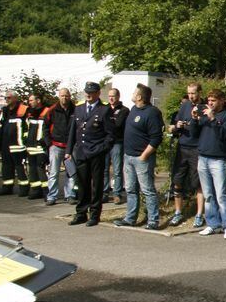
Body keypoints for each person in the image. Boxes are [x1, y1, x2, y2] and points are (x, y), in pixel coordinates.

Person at [113, 84, 164, 230]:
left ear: (140, 97)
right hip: (128, 157)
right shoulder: (134, 109)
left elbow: (156, 138)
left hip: (142, 158)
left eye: (135, 92)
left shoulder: (152, 113)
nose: (133, 94)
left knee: (147, 190)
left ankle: (153, 220)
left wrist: (144, 155)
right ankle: (130, 218)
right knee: (130, 189)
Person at [66, 82, 114, 226]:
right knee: (82, 184)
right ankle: (81, 213)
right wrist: (68, 151)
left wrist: (101, 149)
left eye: (91, 92)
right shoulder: (79, 109)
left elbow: (110, 135)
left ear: (98, 93)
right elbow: (73, 132)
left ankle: (95, 214)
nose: (88, 94)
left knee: (97, 185)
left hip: (96, 153)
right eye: (87, 91)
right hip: (81, 152)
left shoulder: (104, 110)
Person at [193, 89, 226, 239]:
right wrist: (194, 119)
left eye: (213, 100)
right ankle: (212, 224)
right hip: (203, 157)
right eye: (209, 100)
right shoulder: (205, 114)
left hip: (218, 159)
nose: (210, 103)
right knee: (208, 195)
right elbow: (194, 133)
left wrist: (213, 119)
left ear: (221, 101)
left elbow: (224, 135)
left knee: (221, 195)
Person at [168, 83, 207, 228]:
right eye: (189, 93)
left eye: (193, 93)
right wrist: (176, 125)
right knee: (177, 180)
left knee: (197, 183)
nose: (191, 96)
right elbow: (174, 124)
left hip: (197, 148)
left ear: (200, 93)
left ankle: (199, 214)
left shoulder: (204, 108)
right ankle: (178, 212)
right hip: (182, 146)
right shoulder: (184, 106)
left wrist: (197, 119)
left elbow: (206, 127)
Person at [44, 88, 77, 205]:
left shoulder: (76, 110)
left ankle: (70, 195)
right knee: (53, 172)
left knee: (71, 173)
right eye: (62, 95)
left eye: (66, 96)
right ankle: (52, 196)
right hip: (56, 146)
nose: (64, 98)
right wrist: (49, 144)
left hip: (71, 147)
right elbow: (45, 128)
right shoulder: (52, 110)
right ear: (59, 96)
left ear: (70, 96)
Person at [0, 90, 29, 196]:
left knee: (20, 167)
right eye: (6, 98)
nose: (7, 100)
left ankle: (24, 188)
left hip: (19, 145)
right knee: (6, 166)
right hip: (5, 144)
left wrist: (25, 141)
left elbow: (28, 127)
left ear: (16, 98)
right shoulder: (4, 110)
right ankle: (7, 187)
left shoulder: (24, 110)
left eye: (9, 97)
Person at [102, 88, 128, 204]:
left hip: (117, 142)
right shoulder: (104, 109)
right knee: (104, 169)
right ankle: (104, 192)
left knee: (117, 170)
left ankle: (117, 194)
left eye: (113, 96)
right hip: (105, 142)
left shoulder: (124, 110)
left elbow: (118, 125)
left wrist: (108, 123)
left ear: (118, 96)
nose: (111, 98)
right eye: (109, 96)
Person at [23, 94, 50, 200]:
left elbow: (50, 128)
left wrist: (45, 140)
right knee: (32, 169)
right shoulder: (29, 113)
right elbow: (26, 127)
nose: (29, 102)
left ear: (38, 100)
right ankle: (35, 190)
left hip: (41, 147)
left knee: (41, 169)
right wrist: (25, 138)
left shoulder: (47, 112)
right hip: (30, 146)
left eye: (31, 100)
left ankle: (46, 192)